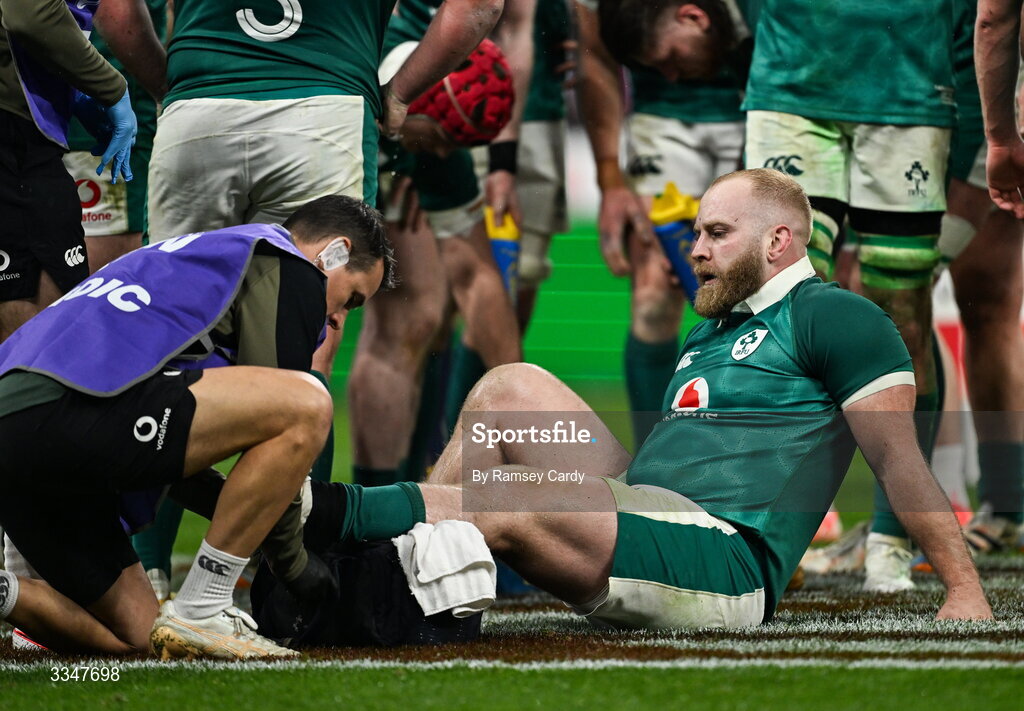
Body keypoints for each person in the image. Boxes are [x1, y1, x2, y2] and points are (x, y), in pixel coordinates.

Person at [274, 169, 993, 629]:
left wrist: (962, 586)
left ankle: (325, 520)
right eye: (700, 233)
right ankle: (404, 572)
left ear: (778, 240)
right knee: (506, 387)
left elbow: (898, 459)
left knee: (515, 490)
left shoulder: (834, 314)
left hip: (723, 558)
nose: (696, 248)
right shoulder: (716, 324)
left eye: (716, 233)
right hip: (649, 507)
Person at [0, 195, 392, 659]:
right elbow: (292, 404)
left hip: (28, 437)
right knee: (308, 401)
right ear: (335, 252)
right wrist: (293, 561)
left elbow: (161, 454)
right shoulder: (285, 259)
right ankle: (204, 604)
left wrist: (245, 508)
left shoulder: (196, 259)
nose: (337, 319)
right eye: (350, 299)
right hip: (67, 413)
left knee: (146, 639)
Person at [576, 0, 747, 447]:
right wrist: (611, 178)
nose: (673, 69)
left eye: (673, 58)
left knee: (764, 289)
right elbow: (595, 60)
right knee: (653, 293)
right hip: (660, 122)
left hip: (759, 108)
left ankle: (779, 477)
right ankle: (656, 473)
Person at [0, 0, 146, 343]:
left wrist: (75, 93)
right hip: (14, 139)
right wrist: (113, 88)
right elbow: (30, 13)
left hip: (26, 133)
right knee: (52, 336)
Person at [63, 0, 168, 273]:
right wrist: (171, 92)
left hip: (51, 114)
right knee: (113, 281)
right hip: (102, 125)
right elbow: (115, 11)